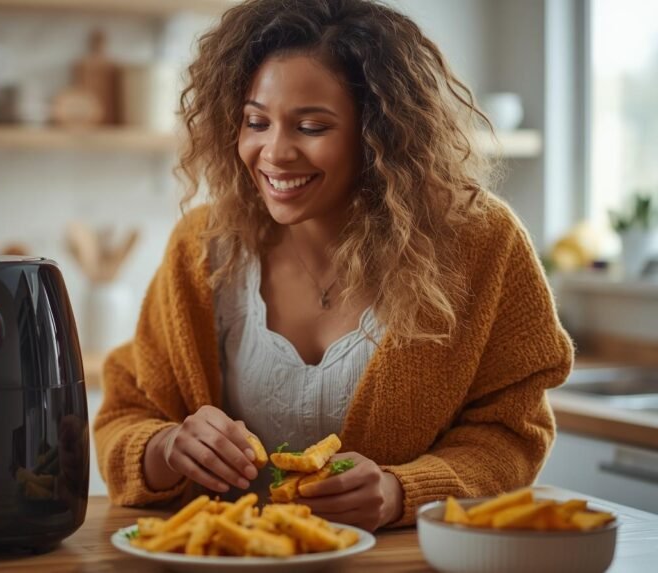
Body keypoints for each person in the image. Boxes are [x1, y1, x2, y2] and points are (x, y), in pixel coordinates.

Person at [93, 0, 573, 532]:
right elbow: (123, 419)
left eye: (312, 127)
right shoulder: (204, 249)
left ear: (378, 133)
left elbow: (513, 434)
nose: (274, 153)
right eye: (256, 121)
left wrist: (400, 491)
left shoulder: (479, 244)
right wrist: (167, 447)